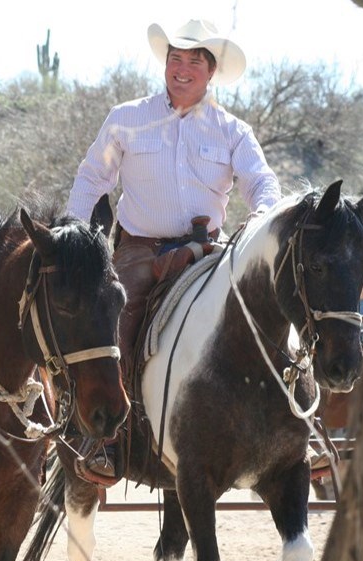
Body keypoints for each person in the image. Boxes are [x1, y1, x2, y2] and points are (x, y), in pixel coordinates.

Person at [66, 19, 282, 477]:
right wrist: (74, 237)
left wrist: (264, 217)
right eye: (175, 59)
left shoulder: (233, 131)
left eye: (194, 61)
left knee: (270, 311)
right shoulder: (126, 118)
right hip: (140, 252)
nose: (182, 69)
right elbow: (92, 178)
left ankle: (294, 430)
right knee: (115, 325)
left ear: (211, 71)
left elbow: (261, 182)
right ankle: (103, 441)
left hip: (210, 252)